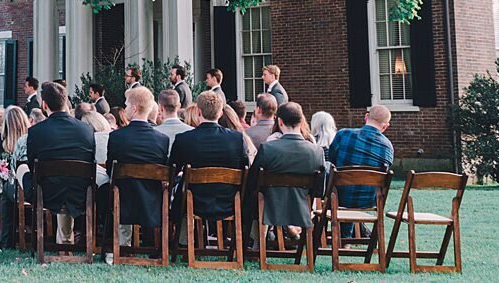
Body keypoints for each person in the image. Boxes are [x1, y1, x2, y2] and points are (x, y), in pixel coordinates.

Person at [23, 81, 95, 245]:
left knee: (23, 171)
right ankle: (65, 241)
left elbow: (31, 165)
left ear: (44, 104)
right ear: (65, 102)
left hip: (46, 193)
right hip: (81, 191)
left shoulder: (36, 131)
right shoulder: (86, 129)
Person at [248, 102, 324, 247]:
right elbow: (320, 190)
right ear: (301, 121)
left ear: (280, 121)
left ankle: (257, 243)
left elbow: (252, 180)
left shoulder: (267, 148)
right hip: (302, 207)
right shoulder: (317, 152)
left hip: (270, 207)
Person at [169, 91, 249, 225]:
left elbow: (172, 171)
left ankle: (183, 241)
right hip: (229, 202)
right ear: (220, 113)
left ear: (198, 112)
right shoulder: (237, 139)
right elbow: (246, 169)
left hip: (193, 203)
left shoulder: (184, 139)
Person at [107, 86, 171, 253]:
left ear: (135, 108)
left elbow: (110, 171)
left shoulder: (116, 137)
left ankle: (120, 247)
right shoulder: (162, 140)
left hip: (123, 201)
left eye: (127, 105)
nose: (125, 108)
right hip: (151, 202)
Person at [326, 105, 394, 209]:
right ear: (385, 126)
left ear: (366, 116)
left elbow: (331, 160)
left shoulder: (343, 134)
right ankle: (358, 225)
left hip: (340, 196)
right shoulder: (387, 147)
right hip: (369, 200)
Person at [0, 106, 31, 248]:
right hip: (44, 187)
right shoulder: (34, 138)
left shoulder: (11, 143)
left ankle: (6, 239)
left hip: (25, 190)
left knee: (6, 189)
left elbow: (14, 173)